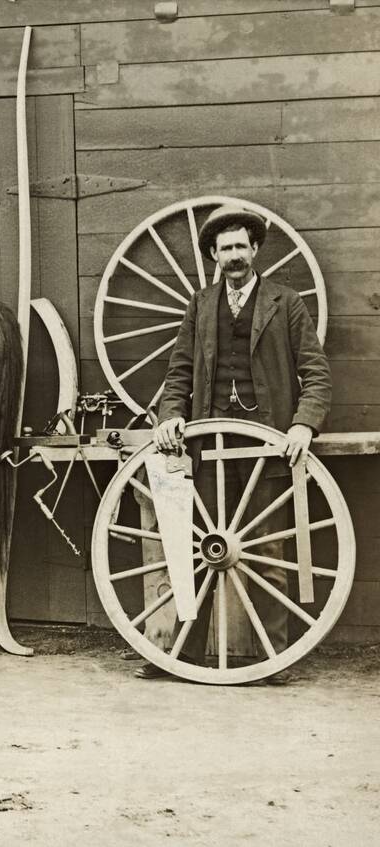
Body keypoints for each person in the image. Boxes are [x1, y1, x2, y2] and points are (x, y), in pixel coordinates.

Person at [136, 205, 331, 684]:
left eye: (242, 246)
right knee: (198, 552)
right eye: (225, 249)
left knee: (269, 554)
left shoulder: (285, 302)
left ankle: (272, 659)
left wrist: (303, 425)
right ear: (213, 256)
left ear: (256, 250)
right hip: (207, 447)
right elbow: (179, 372)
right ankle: (180, 656)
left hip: (266, 449)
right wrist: (170, 416)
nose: (235, 256)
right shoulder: (201, 305)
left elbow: (317, 374)